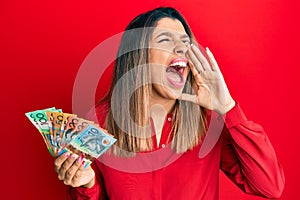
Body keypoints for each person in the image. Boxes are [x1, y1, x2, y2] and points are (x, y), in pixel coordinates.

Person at [54, 7, 285, 199]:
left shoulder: (207, 120)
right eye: (165, 40)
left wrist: (227, 107)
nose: (180, 48)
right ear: (138, 55)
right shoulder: (99, 123)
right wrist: (87, 185)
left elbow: (269, 186)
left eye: (184, 42)